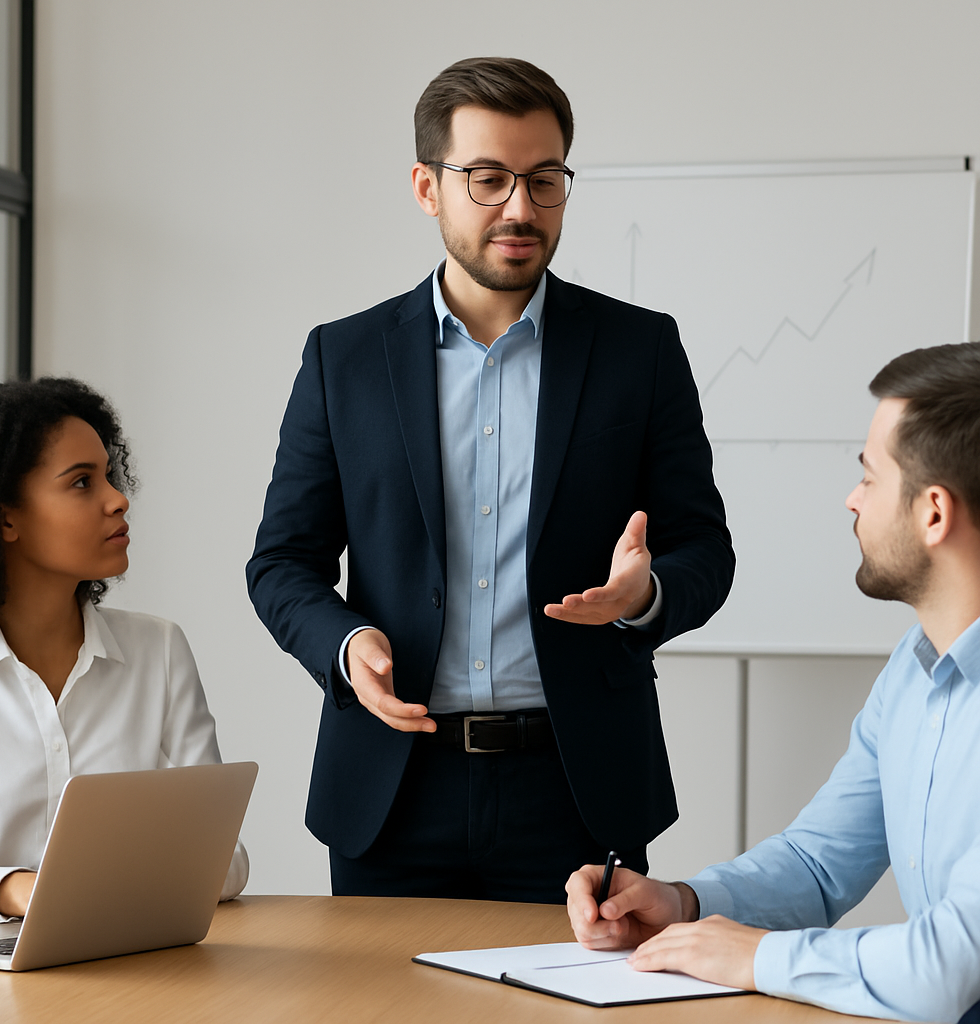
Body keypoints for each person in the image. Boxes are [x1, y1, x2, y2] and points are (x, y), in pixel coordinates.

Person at [247, 56, 734, 903]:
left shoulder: (639, 351)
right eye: (488, 178)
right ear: (427, 188)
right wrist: (345, 643)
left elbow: (706, 550)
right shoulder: (344, 358)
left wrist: (646, 593)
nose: (520, 207)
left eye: (545, 180)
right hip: (393, 792)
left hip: (578, 789)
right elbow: (282, 564)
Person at [566, 341, 980, 1023]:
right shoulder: (915, 668)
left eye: (870, 477)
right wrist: (680, 905)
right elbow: (820, 865)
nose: (852, 499)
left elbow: (947, 970)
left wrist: (757, 957)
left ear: (932, 512)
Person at [0, 377, 248, 923]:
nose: (119, 499)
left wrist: (92, 889)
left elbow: (225, 859)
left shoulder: (158, 649)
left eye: (110, 476)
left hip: (124, 963)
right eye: (82, 483)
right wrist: (14, 890)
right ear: (4, 517)